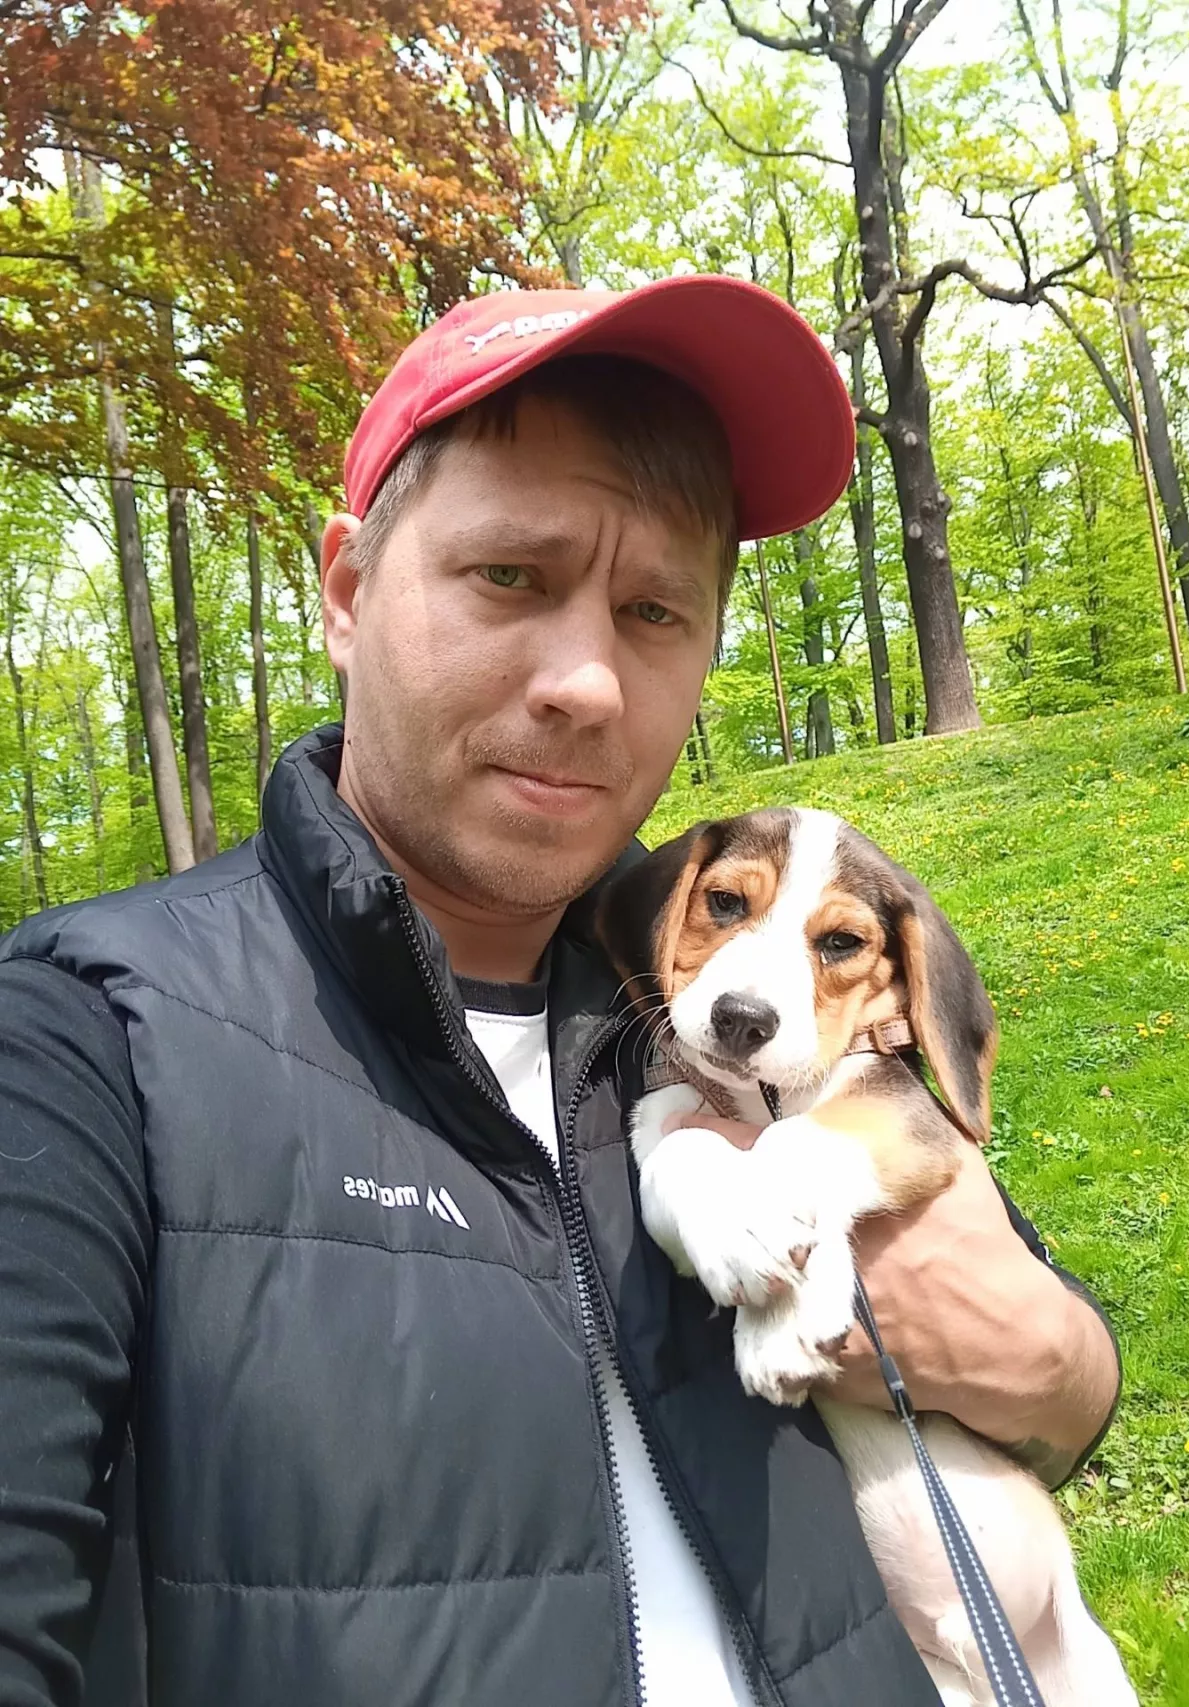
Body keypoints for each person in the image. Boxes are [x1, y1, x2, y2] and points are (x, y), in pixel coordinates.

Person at [0, 276, 1120, 1707]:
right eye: (510, 576)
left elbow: (1059, 1367)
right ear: (347, 592)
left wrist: (1052, 1358)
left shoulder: (725, 1016)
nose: (587, 679)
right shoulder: (85, 1036)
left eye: (654, 608)